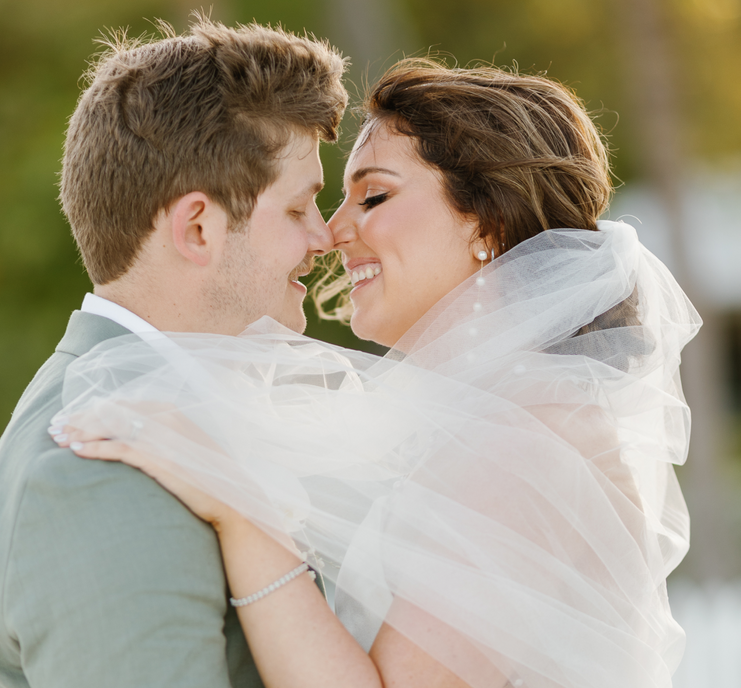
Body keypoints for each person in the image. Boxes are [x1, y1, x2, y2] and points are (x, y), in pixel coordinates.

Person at [51, 60, 700, 688]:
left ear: (489, 221)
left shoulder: (524, 438)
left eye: (375, 195)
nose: (333, 233)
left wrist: (243, 513)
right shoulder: (501, 417)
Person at [0, 16, 347, 688]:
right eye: (300, 208)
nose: (324, 238)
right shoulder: (100, 466)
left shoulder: (158, 420)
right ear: (197, 227)